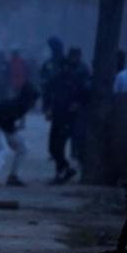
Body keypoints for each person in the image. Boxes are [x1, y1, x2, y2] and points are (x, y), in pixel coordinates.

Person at [44, 47, 90, 185]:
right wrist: (47, 108)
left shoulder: (82, 73)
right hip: (58, 113)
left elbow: (86, 93)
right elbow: (48, 91)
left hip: (71, 116)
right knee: (53, 147)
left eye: (76, 56)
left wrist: (78, 103)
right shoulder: (58, 74)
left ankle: (62, 173)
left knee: (62, 145)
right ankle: (65, 169)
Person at [0, 82, 40, 187]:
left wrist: (15, 127)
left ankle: (13, 176)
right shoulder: (16, 105)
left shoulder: (21, 103)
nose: (34, 103)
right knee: (2, 149)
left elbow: (8, 122)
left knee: (23, 148)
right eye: (33, 99)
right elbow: (3, 122)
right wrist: (13, 129)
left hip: (0, 124)